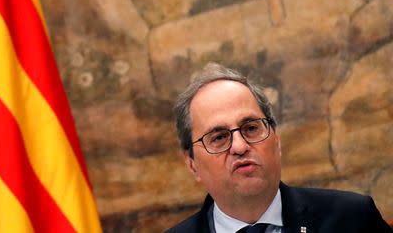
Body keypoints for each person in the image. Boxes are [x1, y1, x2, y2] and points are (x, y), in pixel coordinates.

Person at [165, 62, 392, 233]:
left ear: (277, 139)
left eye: (251, 128)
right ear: (192, 163)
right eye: (219, 137)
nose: (240, 146)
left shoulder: (354, 218)